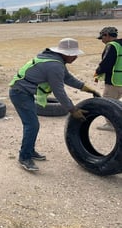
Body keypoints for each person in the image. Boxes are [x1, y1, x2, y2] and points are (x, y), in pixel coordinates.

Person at [9, 38, 101, 172]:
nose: (75, 57)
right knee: (32, 125)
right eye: (72, 54)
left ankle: (29, 150)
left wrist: (85, 88)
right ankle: (24, 157)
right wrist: (72, 109)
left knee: (32, 124)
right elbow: (59, 92)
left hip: (23, 92)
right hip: (20, 93)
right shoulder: (55, 65)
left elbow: (67, 78)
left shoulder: (56, 61)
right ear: (64, 53)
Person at [94, 26, 122, 131]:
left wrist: (97, 72)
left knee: (108, 103)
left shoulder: (112, 46)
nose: (102, 40)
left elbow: (106, 63)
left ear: (107, 35)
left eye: (102, 37)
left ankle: (110, 124)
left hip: (113, 81)